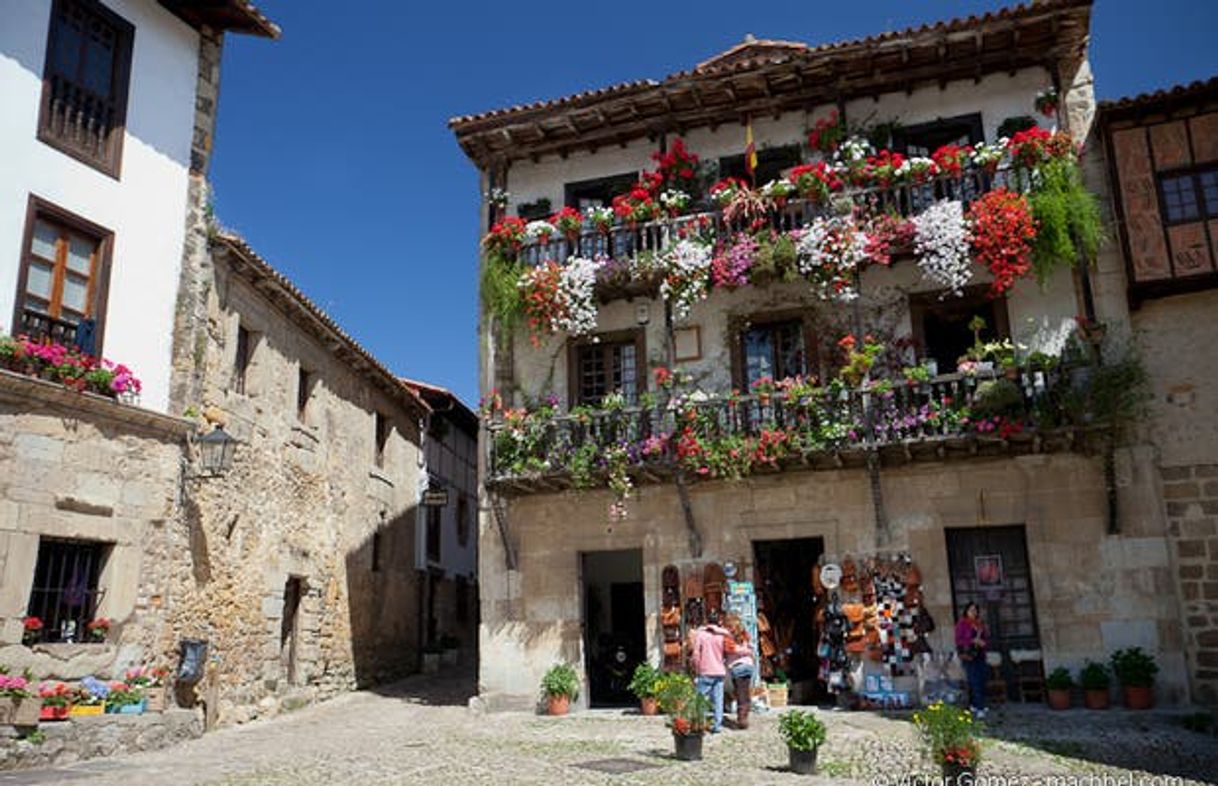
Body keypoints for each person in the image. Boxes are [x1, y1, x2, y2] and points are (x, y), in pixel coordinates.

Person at [690, 610, 729, 733]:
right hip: (719, 670)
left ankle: (699, 724)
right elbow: (728, 650)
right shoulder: (723, 635)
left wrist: (696, 668)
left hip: (706, 670)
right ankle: (717, 725)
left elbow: (696, 654)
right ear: (719, 622)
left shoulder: (701, 635)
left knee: (700, 699)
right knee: (718, 699)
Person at [955, 601, 989, 718]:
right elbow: (958, 640)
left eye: (975, 610)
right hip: (969, 655)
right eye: (971, 610)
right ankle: (979, 707)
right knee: (974, 680)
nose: (973, 612)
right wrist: (972, 641)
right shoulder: (962, 624)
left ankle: (974, 704)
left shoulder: (979, 624)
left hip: (980, 654)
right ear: (966, 611)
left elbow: (985, 637)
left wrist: (984, 643)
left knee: (982, 679)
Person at [723, 614, 755, 729]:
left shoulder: (728, 637)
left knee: (741, 693)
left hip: (737, 667)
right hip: (748, 665)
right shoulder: (745, 635)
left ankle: (742, 719)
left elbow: (732, 650)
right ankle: (744, 716)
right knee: (745, 692)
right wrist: (747, 652)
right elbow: (751, 648)